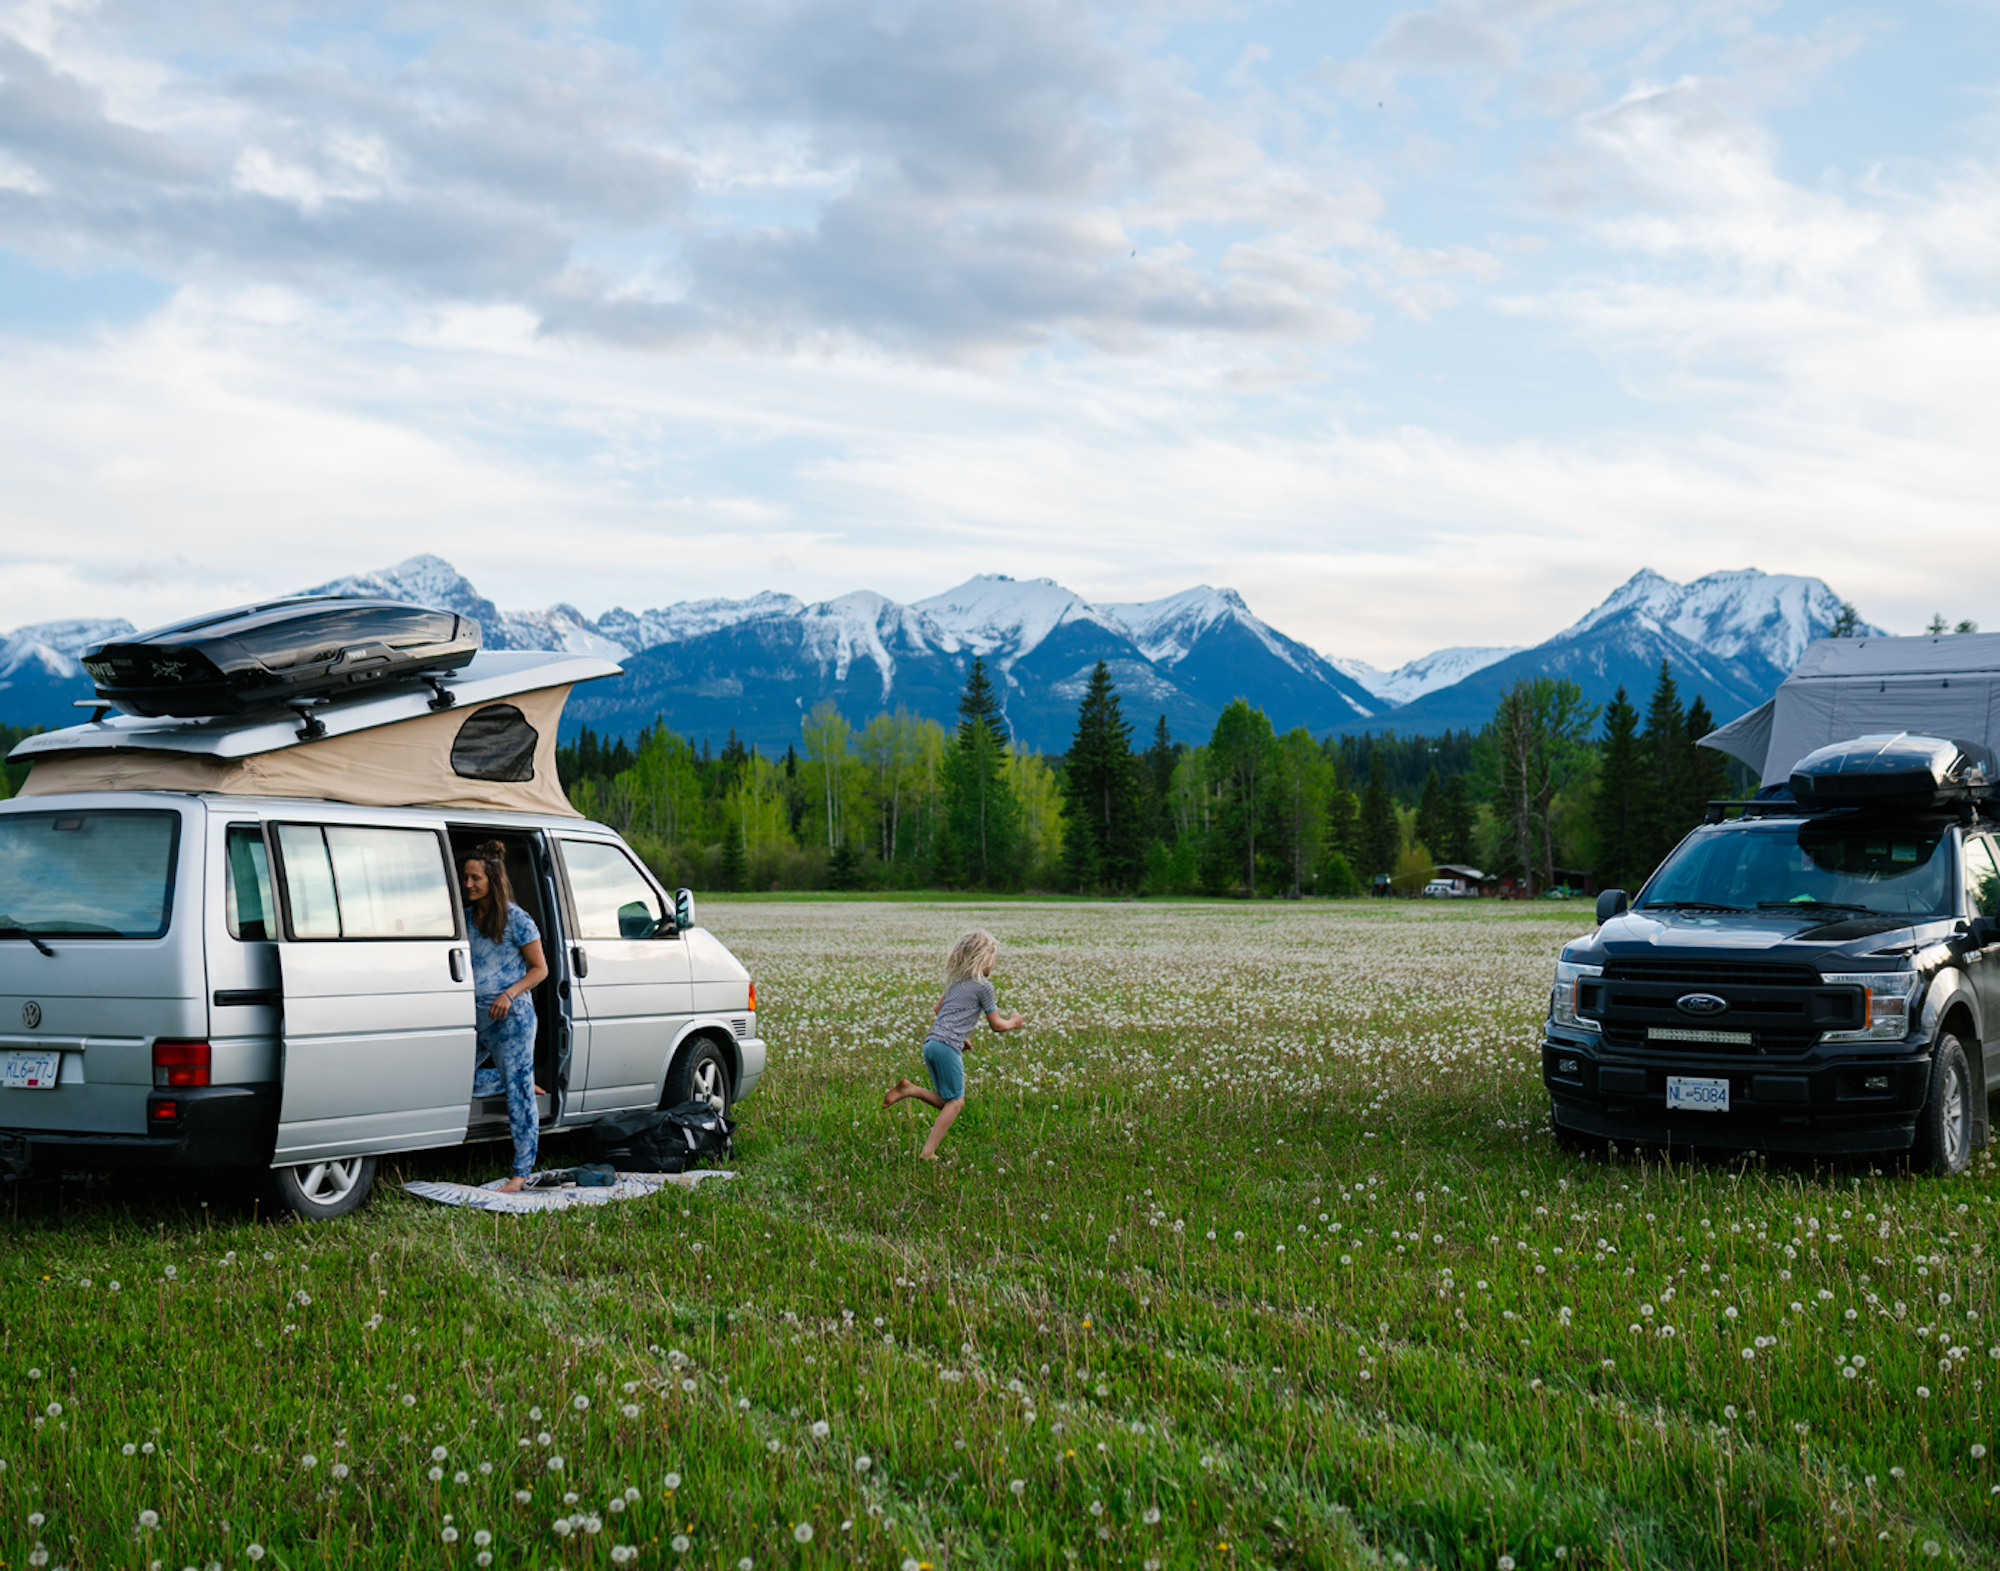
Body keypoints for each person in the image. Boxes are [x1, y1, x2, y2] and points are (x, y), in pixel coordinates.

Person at [883, 928, 1024, 1160]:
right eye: (993, 957)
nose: (994, 963)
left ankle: (910, 1089)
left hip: (931, 1043)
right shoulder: (984, 987)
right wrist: (1015, 1023)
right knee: (956, 1103)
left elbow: (939, 1010)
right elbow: (997, 1025)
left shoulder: (956, 982)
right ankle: (927, 1152)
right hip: (947, 1046)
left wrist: (961, 1036)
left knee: (946, 1101)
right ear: (984, 958)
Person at [462, 840, 549, 1193]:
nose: (467, 884)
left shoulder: (518, 920)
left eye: (474, 878)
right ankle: (517, 1081)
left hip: (511, 1020)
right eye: (465, 878)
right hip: (476, 1019)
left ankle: (521, 1172)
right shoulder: (467, 919)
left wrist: (509, 994)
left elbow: (540, 969)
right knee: (455, 1080)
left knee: (519, 1101)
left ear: (493, 880)